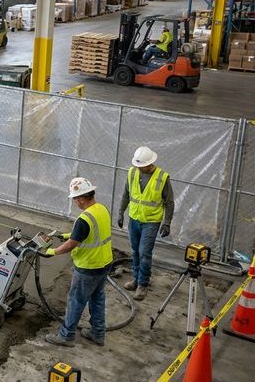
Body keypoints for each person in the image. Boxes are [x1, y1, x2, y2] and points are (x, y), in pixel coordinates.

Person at [44, 177, 113, 348]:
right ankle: (98, 333)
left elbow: (72, 244)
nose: (74, 202)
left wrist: (52, 251)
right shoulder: (102, 209)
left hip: (88, 267)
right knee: (97, 298)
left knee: (76, 300)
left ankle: (66, 336)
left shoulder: (84, 219)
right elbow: (89, 233)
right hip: (105, 263)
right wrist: (67, 234)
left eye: (75, 198)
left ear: (81, 198)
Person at [118, 146, 173, 301]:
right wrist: (121, 212)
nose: (140, 168)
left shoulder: (162, 177)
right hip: (134, 219)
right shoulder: (132, 172)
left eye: (142, 166)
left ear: (150, 164)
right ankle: (136, 279)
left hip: (151, 222)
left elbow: (169, 202)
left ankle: (143, 283)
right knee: (135, 251)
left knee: (144, 253)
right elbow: (126, 194)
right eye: (138, 166)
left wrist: (167, 222)